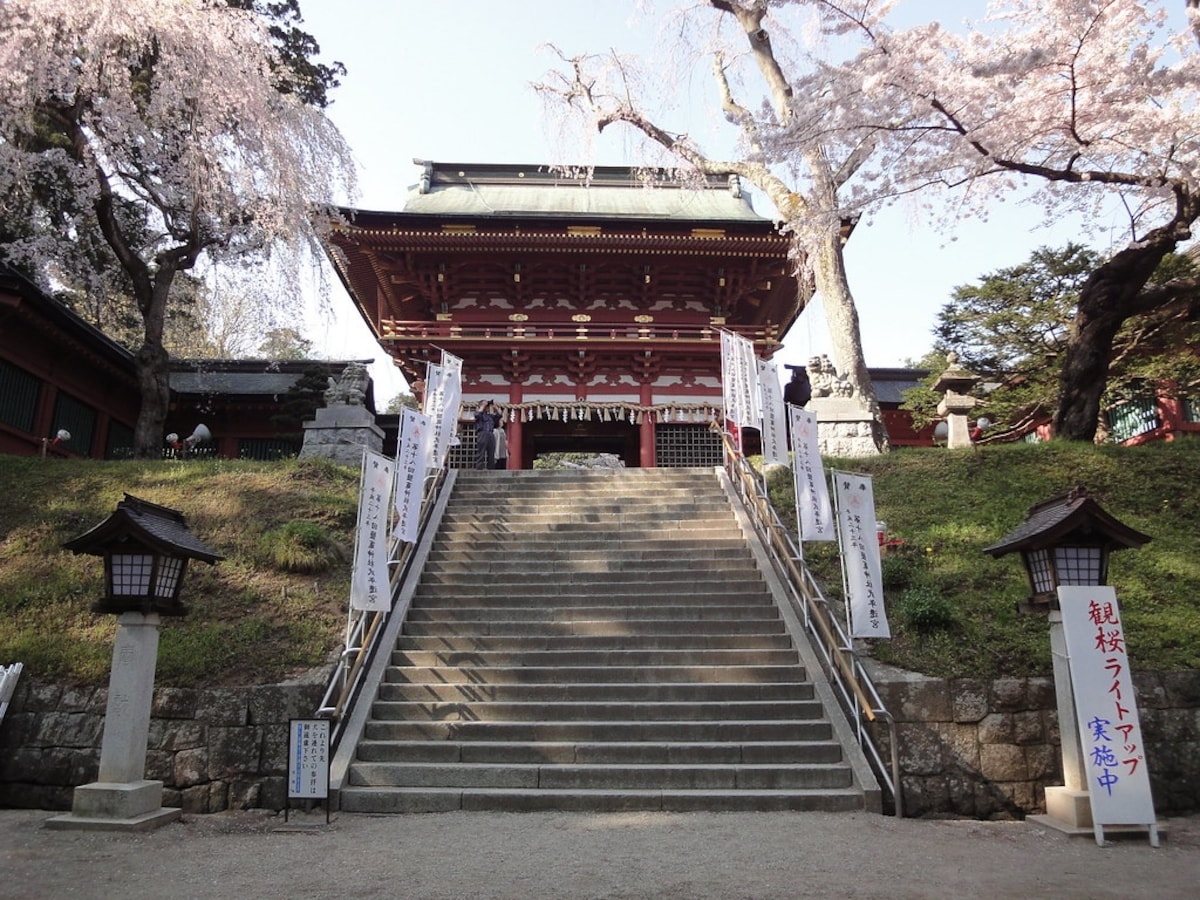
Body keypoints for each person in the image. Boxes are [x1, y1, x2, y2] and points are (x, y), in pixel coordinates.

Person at [473, 399, 495, 470]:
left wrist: (493, 407)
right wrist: (482, 405)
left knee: (491, 452)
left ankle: (491, 467)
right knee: (481, 451)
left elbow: (498, 416)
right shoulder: (478, 413)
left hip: (490, 433)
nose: (486, 406)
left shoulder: (489, 416)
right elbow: (477, 415)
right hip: (482, 433)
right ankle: (479, 467)